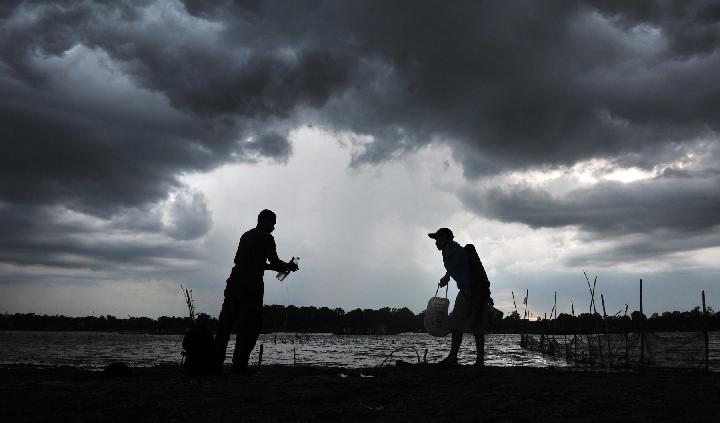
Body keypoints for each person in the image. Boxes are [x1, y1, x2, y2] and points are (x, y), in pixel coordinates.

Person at [215, 209, 299, 374]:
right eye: (273, 223)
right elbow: (273, 262)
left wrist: (277, 267)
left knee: (225, 326)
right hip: (251, 286)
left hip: (233, 282)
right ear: (264, 220)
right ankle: (239, 366)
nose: (274, 228)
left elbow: (244, 261)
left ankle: (215, 363)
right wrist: (287, 266)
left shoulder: (246, 235)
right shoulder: (267, 238)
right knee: (249, 327)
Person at [428, 227, 489, 366]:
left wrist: (447, 276)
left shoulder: (448, 247)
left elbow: (456, 258)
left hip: (468, 291)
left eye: (437, 239)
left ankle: (452, 358)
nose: (435, 242)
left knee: (455, 323)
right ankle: (480, 361)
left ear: (444, 238)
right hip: (480, 290)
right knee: (478, 328)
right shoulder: (458, 247)